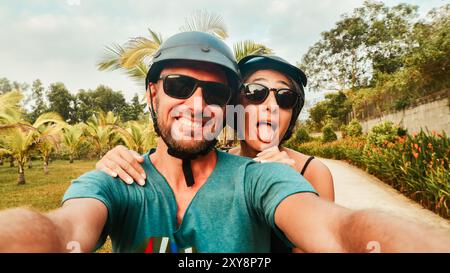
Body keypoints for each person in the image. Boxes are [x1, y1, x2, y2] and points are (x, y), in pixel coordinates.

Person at [0, 31, 449, 253]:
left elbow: (338, 228)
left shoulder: (261, 179)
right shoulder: (117, 180)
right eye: (178, 85)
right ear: (151, 91)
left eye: (215, 93)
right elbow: (62, 229)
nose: (197, 104)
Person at [95, 54, 335, 253]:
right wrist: (115, 160)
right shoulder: (216, 165)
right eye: (254, 92)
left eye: (285, 97)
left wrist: (289, 184)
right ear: (230, 106)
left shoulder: (311, 172)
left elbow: (330, 236)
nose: (271, 106)